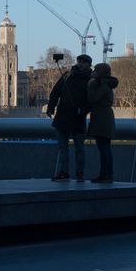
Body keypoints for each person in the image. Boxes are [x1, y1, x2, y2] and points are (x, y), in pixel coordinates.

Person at [47, 54, 92, 182]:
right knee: (63, 148)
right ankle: (63, 172)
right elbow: (55, 92)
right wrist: (51, 107)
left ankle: (79, 172)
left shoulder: (91, 80)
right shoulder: (68, 75)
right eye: (79, 61)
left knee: (79, 148)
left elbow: (91, 100)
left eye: (84, 62)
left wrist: (82, 110)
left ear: (89, 65)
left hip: (78, 118)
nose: (80, 64)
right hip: (63, 116)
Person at [87, 62, 119, 183]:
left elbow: (93, 99)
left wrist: (90, 86)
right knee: (106, 147)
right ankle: (108, 174)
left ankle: (105, 174)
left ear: (100, 72)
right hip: (105, 117)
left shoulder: (103, 85)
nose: (93, 72)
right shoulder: (107, 84)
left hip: (101, 118)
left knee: (103, 148)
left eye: (95, 70)